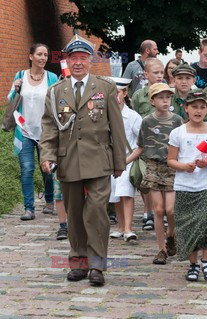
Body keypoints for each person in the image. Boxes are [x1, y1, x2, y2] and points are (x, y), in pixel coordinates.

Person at [39, 34, 127, 286]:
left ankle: (97, 266)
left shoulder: (105, 87)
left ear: (90, 60)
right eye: (73, 58)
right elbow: (48, 127)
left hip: (99, 159)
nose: (78, 62)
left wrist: (119, 160)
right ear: (67, 61)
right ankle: (79, 262)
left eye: (83, 58)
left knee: (97, 212)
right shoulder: (56, 92)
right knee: (74, 215)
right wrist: (47, 156)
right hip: (68, 161)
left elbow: (116, 127)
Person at [167, 89, 207, 282]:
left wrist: (206, 164)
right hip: (185, 186)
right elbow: (171, 160)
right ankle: (192, 265)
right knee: (187, 226)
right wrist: (184, 166)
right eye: (194, 107)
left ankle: (206, 261)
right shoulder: (178, 133)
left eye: (202, 107)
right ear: (186, 108)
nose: (198, 111)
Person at [127, 83, 183, 264]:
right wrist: (124, 161)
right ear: (152, 101)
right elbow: (141, 147)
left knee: (171, 210)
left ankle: (171, 235)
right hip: (153, 166)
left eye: (167, 97)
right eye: (160, 97)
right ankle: (161, 249)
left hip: (172, 167)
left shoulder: (177, 120)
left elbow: (183, 144)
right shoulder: (147, 122)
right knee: (158, 210)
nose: (165, 100)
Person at [8, 43, 58, 221]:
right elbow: (11, 101)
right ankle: (29, 208)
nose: (43, 58)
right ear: (31, 56)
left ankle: (50, 201)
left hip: (46, 133)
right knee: (27, 169)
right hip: (25, 131)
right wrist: (15, 88)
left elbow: (59, 101)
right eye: (39, 54)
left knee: (48, 170)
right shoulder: (20, 76)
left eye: (46, 55)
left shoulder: (52, 78)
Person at [131, 58, 165, 230]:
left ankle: (160, 211)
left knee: (163, 179)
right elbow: (135, 117)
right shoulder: (139, 95)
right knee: (146, 179)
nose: (159, 76)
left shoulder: (167, 93)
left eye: (161, 72)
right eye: (155, 73)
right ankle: (148, 211)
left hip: (165, 145)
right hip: (146, 144)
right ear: (146, 75)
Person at [108, 77, 142, 242]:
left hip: (129, 159)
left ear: (124, 93)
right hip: (111, 160)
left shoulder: (133, 116)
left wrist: (127, 160)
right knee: (115, 194)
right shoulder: (106, 115)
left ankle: (128, 228)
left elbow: (142, 143)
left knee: (127, 194)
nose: (115, 96)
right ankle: (120, 227)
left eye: (118, 93)